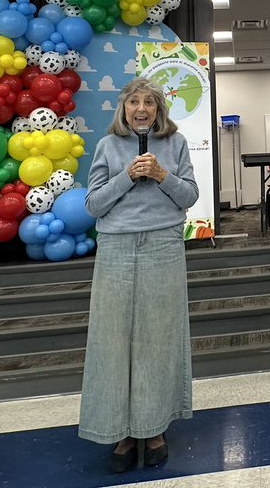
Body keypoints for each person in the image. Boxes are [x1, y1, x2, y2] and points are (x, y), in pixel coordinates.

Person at [78, 77, 199, 473]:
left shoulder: (176, 144)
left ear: (159, 109)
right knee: (112, 341)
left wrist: (163, 175)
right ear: (124, 109)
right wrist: (127, 176)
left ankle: (154, 427)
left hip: (164, 244)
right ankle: (121, 431)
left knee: (159, 338)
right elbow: (93, 205)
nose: (141, 109)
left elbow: (189, 196)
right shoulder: (107, 146)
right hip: (116, 247)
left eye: (149, 102)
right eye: (134, 102)